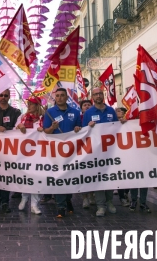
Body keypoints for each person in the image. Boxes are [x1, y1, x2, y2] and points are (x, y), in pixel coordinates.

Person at [42, 88, 82, 218]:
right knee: (59, 178)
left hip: (71, 151)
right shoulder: (49, 112)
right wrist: (52, 128)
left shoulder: (75, 112)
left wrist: (78, 128)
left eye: (62, 95)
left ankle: (68, 199)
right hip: (56, 151)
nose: (59, 98)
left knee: (69, 178)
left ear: (66, 97)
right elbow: (45, 132)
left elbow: (81, 130)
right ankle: (60, 206)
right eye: (57, 96)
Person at [83, 87, 117, 217]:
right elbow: (83, 132)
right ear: (93, 97)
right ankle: (100, 205)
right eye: (96, 94)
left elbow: (118, 128)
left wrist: (123, 122)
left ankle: (109, 201)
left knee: (109, 178)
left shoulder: (111, 110)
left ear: (103, 95)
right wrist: (88, 126)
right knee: (98, 178)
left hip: (109, 151)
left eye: (100, 94)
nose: (98, 96)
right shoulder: (88, 113)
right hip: (95, 152)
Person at [0, 89, 21, 213]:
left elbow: (17, 128)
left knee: (6, 175)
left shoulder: (15, 112)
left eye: (5, 95)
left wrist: (6, 129)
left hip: (8, 149)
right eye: (1, 95)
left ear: (9, 97)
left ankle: (5, 201)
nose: (3, 97)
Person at [15, 96, 44, 215]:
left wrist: (44, 129)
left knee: (37, 177)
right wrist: (19, 126)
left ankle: (34, 204)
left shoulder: (42, 118)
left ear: (37, 106)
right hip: (25, 153)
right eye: (29, 103)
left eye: (32, 104)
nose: (29, 106)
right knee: (25, 175)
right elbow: (13, 132)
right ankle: (24, 197)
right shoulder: (22, 117)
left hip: (39, 153)